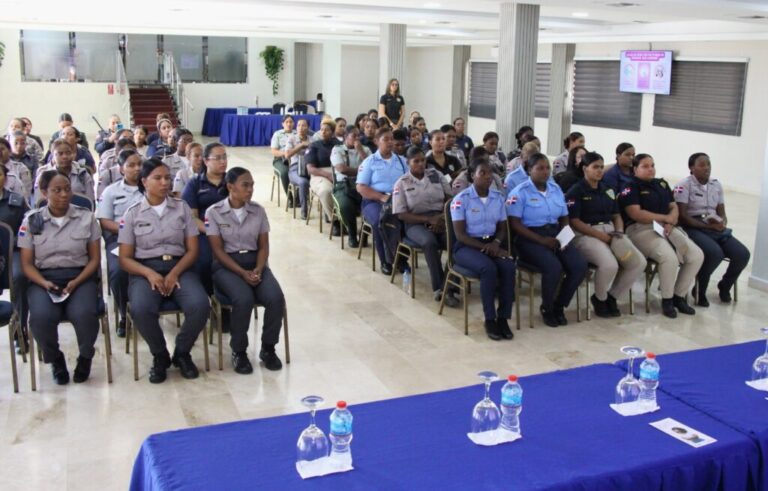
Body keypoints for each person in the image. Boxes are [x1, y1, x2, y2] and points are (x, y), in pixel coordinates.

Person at [118, 158, 210, 383]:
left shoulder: (182, 208)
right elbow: (124, 258)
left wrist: (175, 273)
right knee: (140, 308)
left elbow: (192, 250)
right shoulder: (132, 213)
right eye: (158, 178)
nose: (165, 182)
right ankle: (160, 355)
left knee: (200, 305)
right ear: (144, 182)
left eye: (167, 177)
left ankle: (182, 353)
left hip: (180, 267)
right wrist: (149, 274)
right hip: (145, 270)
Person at [19, 171, 101, 384]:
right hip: (44, 279)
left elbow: (94, 260)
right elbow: (27, 264)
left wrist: (78, 281)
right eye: (57, 190)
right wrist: (43, 282)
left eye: (67, 189)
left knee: (84, 314)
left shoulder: (86, 217)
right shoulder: (32, 220)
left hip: (80, 277)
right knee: (40, 318)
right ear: (44, 192)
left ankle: (85, 357)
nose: (64, 194)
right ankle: (55, 359)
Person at [206, 167, 285, 373]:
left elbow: (263, 246)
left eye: (252, 185)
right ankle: (239, 351)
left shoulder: (258, 210)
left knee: (276, 297)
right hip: (227, 266)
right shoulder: (213, 212)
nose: (250, 189)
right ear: (230, 186)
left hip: (255, 262)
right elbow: (217, 250)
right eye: (245, 185)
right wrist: (242, 273)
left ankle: (268, 348)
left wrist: (258, 269)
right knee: (243, 299)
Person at [618, 153, 704, 318]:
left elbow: (673, 206)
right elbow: (636, 213)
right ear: (635, 169)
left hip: (666, 227)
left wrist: (671, 220)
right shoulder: (630, 187)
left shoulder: (662, 184)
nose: (650, 169)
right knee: (669, 258)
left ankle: (679, 296)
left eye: (652, 165)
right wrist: (665, 218)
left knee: (696, 255)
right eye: (645, 166)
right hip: (641, 229)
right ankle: (667, 299)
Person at [508, 153, 588, 327]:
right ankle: (547, 308)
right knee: (554, 266)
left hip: (555, 234)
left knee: (579, 265)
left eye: (547, 168)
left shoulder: (555, 189)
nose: (545, 172)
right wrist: (540, 240)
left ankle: (559, 305)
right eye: (540, 168)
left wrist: (565, 234)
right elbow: (514, 224)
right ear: (529, 170)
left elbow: (564, 216)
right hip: (529, 238)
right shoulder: (519, 192)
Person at [566, 152, 646, 317]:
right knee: (610, 265)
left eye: (601, 167)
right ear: (584, 168)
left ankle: (612, 296)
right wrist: (600, 236)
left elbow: (616, 215)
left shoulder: (608, 189)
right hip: (586, 234)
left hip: (611, 231)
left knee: (638, 263)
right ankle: (600, 299)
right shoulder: (576, 190)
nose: (600, 170)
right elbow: (574, 221)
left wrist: (619, 231)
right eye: (595, 167)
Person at [451, 159, 516, 340]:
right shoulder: (461, 200)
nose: (488, 177)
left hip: (492, 244)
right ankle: (490, 319)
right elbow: (460, 235)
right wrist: (486, 247)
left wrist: (495, 244)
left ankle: (503, 318)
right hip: (467, 247)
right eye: (483, 173)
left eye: (490, 173)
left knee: (509, 267)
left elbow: (503, 227)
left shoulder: (497, 197)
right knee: (489, 269)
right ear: (473, 176)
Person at [674, 152, 750, 306]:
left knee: (742, 254)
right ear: (691, 168)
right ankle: (700, 290)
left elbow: (721, 210)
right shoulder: (683, 185)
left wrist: (722, 222)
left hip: (713, 226)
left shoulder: (716, 184)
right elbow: (683, 216)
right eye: (702, 165)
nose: (707, 168)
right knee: (715, 253)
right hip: (693, 227)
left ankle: (725, 286)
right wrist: (709, 226)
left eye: (708, 164)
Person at [393, 146, 458, 306]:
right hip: (414, 223)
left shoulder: (436, 175)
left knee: (455, 241)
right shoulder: (402, 183)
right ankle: (439, 288)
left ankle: (450, 285)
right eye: (416, 161)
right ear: (408, 163)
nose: (421, 164)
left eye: (423, 160)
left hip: (440, 218)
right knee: (429, 242)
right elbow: (401, 214)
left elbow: (450, 199)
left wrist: (441, 218)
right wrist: (428, 221)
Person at [96, 150, 143, 337]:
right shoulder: (111, 191)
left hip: (151, 238)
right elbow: (105, 221)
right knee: (118, 271)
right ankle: (124, 313)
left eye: (139, 164)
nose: (137, 168)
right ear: (121, 169)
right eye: (131, 165)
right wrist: (128, 231)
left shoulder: (151, 187)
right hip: (120, 238)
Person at [357, 127, 408, 275]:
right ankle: (385, 260)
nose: (390, 142)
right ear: (376, 141)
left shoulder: (401, 161)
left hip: (397, 199)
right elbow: (361, 187)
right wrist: (381, 197)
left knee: (407, 220)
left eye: (391, 139)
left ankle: (401, 259)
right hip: (373, 200)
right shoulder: (369, 162)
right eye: (386, 139)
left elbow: (407, 181)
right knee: (381, 221)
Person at [182, 143, 228, 295]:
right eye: (218, 158)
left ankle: (227, 297)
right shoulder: (195, 184)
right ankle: (208, 296)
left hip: (231, 230)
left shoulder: (231, 181)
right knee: (204, 261)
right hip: (203, 231)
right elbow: (192, 218)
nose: (223, 161)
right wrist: (211, 231)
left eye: (225, 157)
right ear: (206, 161)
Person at [0, 162, 30, 351]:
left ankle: (20, 329)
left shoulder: (16, 201)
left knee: (20, 276)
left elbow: (26, 229)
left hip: (13, 252)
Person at [331, 126, 370, 247]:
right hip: (343, 185)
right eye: (354, 136)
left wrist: (360, 151)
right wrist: (362, 171)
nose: (357, 138)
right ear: (345, 137)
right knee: (346, 206)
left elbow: (372, 167)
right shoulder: (337, 149)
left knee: (372, 205)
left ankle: (364, 235)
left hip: (362, 184)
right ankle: (352, 235)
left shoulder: (366, 150)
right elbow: (342, 169)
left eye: (359, 135)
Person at [306, 121, 341, 235]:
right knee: (326, 191)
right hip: (319, 174)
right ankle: (335, 221)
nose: (323, 132)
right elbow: (310, 168)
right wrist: (327, 175)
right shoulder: (315, 145)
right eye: (322, 129)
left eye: (327, 129)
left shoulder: (339, 144)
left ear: (332, 132)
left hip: (338, 171)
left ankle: (347, 219)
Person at [34, 139, 95, 205]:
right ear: (53, 156)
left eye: (68, 153)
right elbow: (39, 203)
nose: (65, 156)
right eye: (60, 153)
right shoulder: (44, 176)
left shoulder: (83, 175)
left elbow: (90, 203)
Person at [285, 119, 313, 220]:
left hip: (310, 168)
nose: (301, 128)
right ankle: (304, 211)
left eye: (304, 125)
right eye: (299, 125)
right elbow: (287, 154)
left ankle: (329, 216)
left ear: (308, 127)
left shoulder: (312, 139)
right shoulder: (291, 139)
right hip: (295, 169)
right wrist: (301, 145)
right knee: (303, 182)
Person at [270, 115, 296, 199]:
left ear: (293, 123)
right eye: (286, 122)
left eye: (291, 122)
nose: (289, 124)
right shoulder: (277, 134)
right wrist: (285, 154)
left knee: (302, 171)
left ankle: (299, 197)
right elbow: (274, 151)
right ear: (282, 124)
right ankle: (290, 198)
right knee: (285, 173)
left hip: (295, 159)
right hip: (280, 160)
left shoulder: (297, 133)